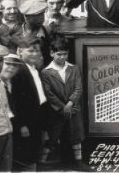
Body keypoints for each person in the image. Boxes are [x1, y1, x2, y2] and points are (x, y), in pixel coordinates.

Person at [41, 37, 83, 165]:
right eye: (59, 54)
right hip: (56, 110)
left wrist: (70, 103)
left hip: (73, 108)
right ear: (52, 53)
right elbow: (49, 93)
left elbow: (78, 88)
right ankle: (42, 161)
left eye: (65, 54)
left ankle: (78, 161)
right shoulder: (46, 72)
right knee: (53, 135)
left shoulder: (74, 68)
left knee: (75, 134)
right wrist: (62, 107)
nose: (62, 57)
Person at [11, 35, 46, 170]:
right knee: (26, 156)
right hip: (26, 121)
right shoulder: (19, 72)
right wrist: (21, 125)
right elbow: (15, 101)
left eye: (37, 50)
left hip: (37, 117)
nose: (35, 54)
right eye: (30, 51)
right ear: (20, 51)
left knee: (34, 152)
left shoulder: (33, 69)